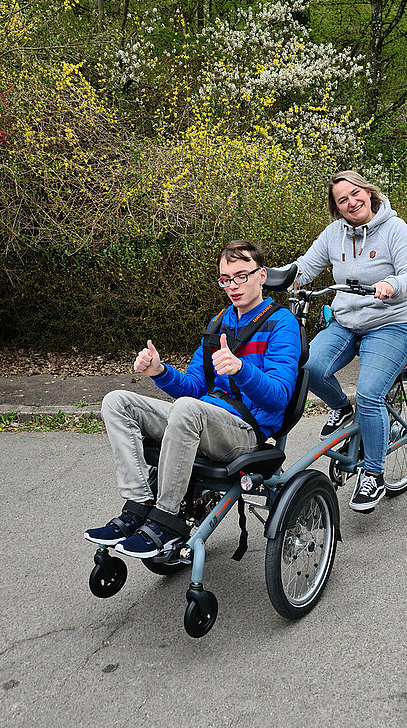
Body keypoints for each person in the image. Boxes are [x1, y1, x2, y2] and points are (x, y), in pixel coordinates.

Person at [85, 239, 301, 558]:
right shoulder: (219, 323)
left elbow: (279, 398)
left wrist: (241, 369)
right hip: (202, 418)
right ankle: (138, 506)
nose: (233, 285)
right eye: (226, 279)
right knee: (117, 401)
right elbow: (193, 386)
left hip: (245, 430)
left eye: (241, 275)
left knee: (187, 410)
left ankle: (166, 521)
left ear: (261, 275)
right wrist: (159, 371)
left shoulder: (282, 324)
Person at [289, 170, 407, 513]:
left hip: (391, 323)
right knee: (309, 367)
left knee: (369, 393)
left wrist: (392, 285)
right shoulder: (334, 234)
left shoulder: (395, 228)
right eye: (342, 200)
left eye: (355, 194)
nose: (351, 202)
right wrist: (267, 278)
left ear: (368, 191)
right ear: (336, 208)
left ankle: (374, 474)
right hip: (347, 322)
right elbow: (304, 267)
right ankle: (341, 408)